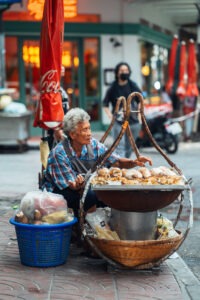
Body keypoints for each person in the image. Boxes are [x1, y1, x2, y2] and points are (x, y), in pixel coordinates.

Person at [42, 108, 152, 216]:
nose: (89, 133)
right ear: (72, 135)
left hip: (84, 186)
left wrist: (133, 162)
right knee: (90, 196)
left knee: (111, 195)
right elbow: (70, 186)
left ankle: (101, 223)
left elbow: (116, 161)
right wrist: (77, 185)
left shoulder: (93, 145)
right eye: (84, 130)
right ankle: (89, 226)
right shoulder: (59, 153)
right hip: (59, 194)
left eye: (89, 128)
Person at [103, 62, 142, 158]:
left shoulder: (133, 85)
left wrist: (139, 115)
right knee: (119, 146)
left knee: (130, 146)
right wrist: (111, 116)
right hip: (118, 122)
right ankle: (120, 165)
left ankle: (126, 163)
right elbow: (105, 104)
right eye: (122, 70)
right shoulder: (112, 87)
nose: (124, 72)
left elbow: (140, 100)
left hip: (133, 122)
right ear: (117, 73)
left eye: (126, 70)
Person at [47, 65, 70, 149]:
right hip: (56, 127)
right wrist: (56, 128)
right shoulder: (53, 87)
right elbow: (52, 109)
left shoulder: (59, 86)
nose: (63, 69)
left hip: (62, 125)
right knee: (55, 152)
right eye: (60, 68)